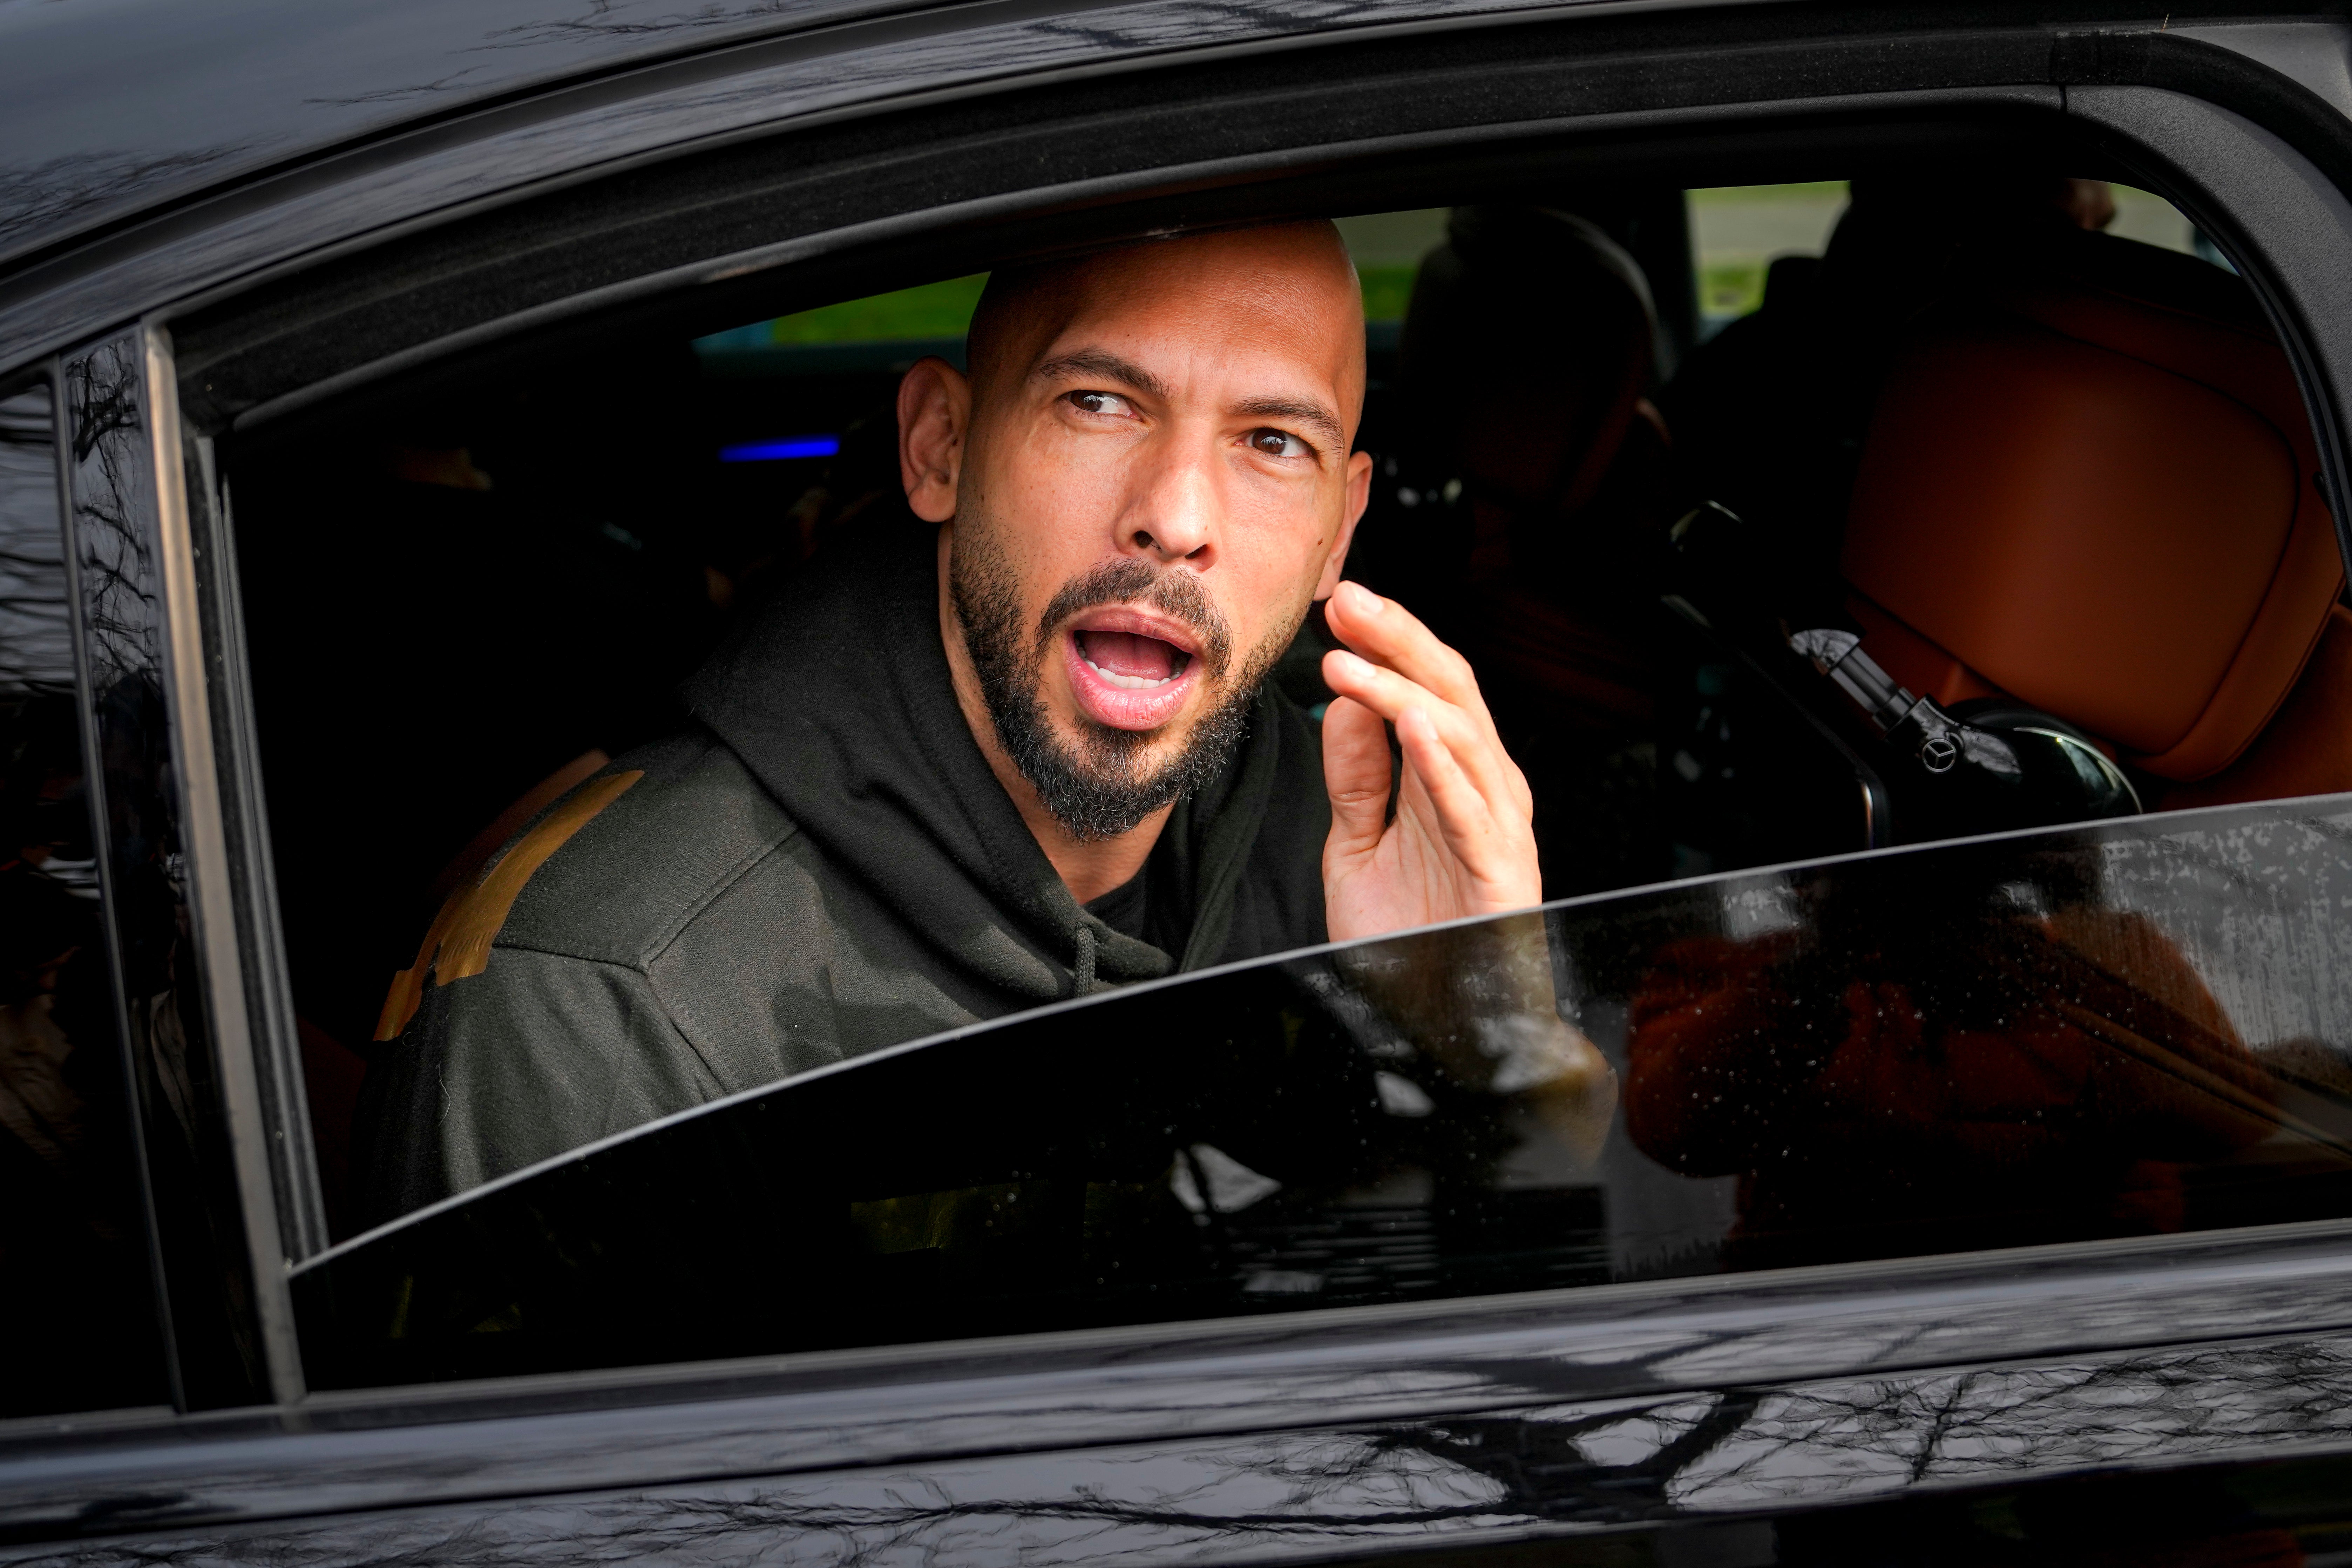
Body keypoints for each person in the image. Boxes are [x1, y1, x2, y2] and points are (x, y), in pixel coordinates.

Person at [355, 220, 1562, 1223]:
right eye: (1099, 402)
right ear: (938, 446)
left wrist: (1495, 1036)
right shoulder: (610, 1007)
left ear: (1336, 534)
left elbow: (1545, 1413)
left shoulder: (1349, 850)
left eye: (1270, 442)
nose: (1177, 514)